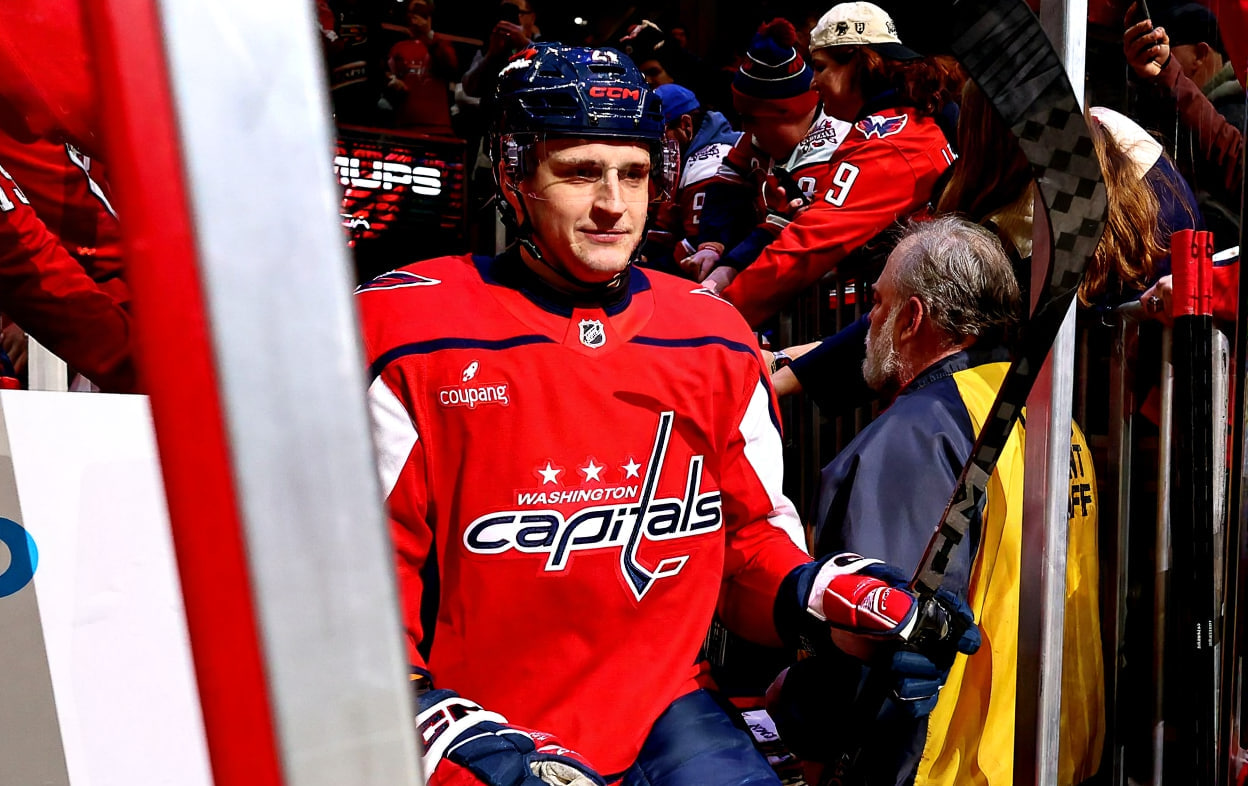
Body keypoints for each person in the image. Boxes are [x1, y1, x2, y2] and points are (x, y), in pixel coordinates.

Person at [355, 43, 978, 785]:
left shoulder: (712, 334)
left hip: (669, 712)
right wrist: (430, 725)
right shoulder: (402, 332)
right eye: (580, 171)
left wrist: (822, 594)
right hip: (483, 722)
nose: (614, 204)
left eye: (635, 173)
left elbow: (746, 543)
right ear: (512, 174)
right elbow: (350, 601)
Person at [768, 216, 1103, 786]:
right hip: (1055, 753)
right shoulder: (1047, 413)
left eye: (878, 303)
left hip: (949, 766)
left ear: (912, 318)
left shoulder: (914, 438)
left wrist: (795, 711)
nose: (869, 321)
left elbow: (873, 636)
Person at [710, 2, 961, 328]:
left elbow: (808, 246)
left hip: (912, 320)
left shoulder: (892, 142)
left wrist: (719, 318)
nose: (813, 83)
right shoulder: (907, 120)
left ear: (859, 63)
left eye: (820, 67)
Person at [1124, 1, 1244, 251]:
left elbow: (1229, 157)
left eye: (1172, 48)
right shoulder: (1185, 109)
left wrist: (1168, 73)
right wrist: (1165, 73)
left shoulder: (1235, 112)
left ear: (1200, 54)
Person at [639, 83, 752, 279]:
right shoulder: (680, 159)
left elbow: (695, 251)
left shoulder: (709, 164)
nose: (652, 147)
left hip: (728, 275)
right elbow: (664, 227)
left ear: (686, 125)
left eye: (658, 136)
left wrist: (643, 271)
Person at [383, 0, 459, 136]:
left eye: (420, 10)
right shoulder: (398, 48)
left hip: (438, 127)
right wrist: (392, 83)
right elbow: (387, 78)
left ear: (429, 15)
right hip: (406, 125)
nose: (414, 15)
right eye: (411, 11)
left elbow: (451, 67)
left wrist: (427, 33)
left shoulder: (442, 44)